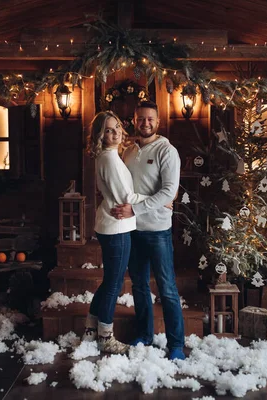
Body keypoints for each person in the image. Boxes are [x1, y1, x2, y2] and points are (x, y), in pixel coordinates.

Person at [111, 101, 185, 361]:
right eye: (141, 119)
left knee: (167, 288)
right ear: (134, 120)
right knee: (140, 287)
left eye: (150, 119)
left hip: (158, 231)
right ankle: (145, 334)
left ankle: (176, 345)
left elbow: (169, 191)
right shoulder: (128, 151)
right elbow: (124, 187)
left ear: (158, 121)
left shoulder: (167, 150)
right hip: (132, 230)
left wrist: (136, 208)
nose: (145, 123)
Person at [82, 110, 147, 354]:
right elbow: (126, 198)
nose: (115, 132)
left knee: (110, 281)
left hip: (112, 224)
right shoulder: (109, 159)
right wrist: (156, 199)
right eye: (108, 130)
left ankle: (90, 331)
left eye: (117, 126)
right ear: (100, 135)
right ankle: (105, 338)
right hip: (117, 227)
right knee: (113, 284)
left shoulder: (109, 156)